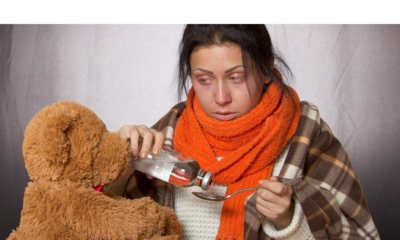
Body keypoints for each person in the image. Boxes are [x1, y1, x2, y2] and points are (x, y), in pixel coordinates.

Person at [118, 25, 380, 240]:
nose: (221, 98)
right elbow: (99, 217)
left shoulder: (307, 136)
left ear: (266, 69)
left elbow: (359, 235)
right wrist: (118, 158)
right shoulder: (169, 131)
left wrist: (290, 220)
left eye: (237, 77)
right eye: (204, 79)